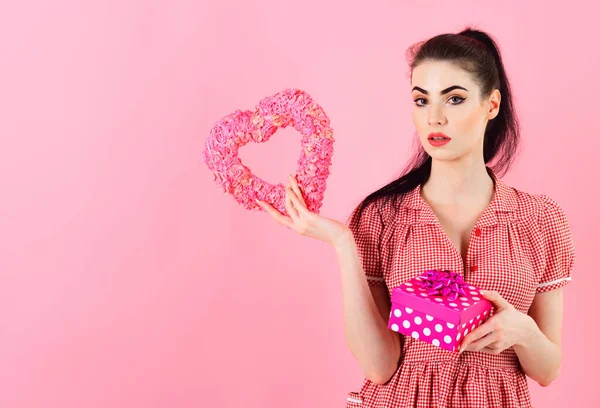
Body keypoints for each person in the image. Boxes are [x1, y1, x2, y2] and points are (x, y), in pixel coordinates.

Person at [256, 27, 575, 408]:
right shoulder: (382, 217)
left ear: (491, 105)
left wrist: (523, 331)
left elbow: (547, 370)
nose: (434, 118)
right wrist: (343, 244)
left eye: (454, 99)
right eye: (421, 101)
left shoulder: (540, 220)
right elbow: (379, 367)